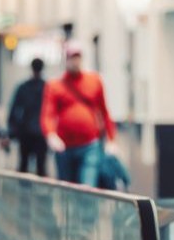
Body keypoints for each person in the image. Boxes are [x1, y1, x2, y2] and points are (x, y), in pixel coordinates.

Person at [42, 42, 115, 187]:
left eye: (77, 57)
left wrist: (111, 139)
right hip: (64, 147)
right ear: (66, 59)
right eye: (71, 57)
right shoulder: (55, 85)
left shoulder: (94, 81)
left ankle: (87, 210)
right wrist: (51, 135)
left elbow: (104, 111)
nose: (75, 61)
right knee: (68, 191)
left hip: (89, 145)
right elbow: (47, 114)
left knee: (88, 187)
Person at [6, 58, 49, 176]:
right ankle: (41, 193)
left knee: (24, 167)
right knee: (41, 168)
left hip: (27, 132)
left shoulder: (24, 87)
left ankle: (24, 193)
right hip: (39, 132)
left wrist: (12, 131)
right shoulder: (46, 87)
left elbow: (14, 111)